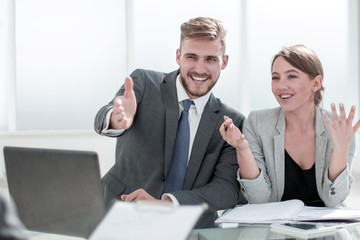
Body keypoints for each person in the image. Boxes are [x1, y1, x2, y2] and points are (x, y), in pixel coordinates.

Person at [94, 17, 246, 211]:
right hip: (117, 210)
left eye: (210, 59)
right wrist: (116, 119)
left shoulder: (230, 121)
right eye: (191, 57)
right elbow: (102, 119)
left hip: (181, 224)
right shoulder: (145, 83)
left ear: (224, 62)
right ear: (178, 56)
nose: (200, 69)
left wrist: (166, 203)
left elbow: (226, 189)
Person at [220, 44, 360, 207]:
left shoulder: (339, 128)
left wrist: (341, 147)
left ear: (316, 83)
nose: (281, 86)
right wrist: (242, 147)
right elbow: (258, 199)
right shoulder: (257, 123)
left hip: (325, 229)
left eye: (292, 76)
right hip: (274, 229)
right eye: (275, 77)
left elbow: (334, 200)